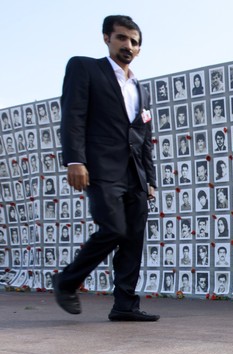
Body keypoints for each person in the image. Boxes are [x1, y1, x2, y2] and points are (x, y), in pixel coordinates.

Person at [52, 15, 159, 322]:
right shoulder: (85, 68)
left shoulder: (140, 88)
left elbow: (144, 139)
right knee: (113, 229)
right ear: (107, 38)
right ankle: (67, 281)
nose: (128, 45)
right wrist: (75, 160)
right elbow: (73, 116)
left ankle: (125, 305)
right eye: (122, 38)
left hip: (135, 175)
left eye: (134, 42)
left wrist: (149, 179)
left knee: (133, 239)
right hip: (101, 169)